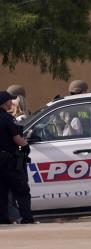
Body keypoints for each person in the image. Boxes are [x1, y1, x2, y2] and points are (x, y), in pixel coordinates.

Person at [0, 91, 35, 224]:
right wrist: (25, 146)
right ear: (4, 103)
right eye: (10, 100)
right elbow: (17, 138)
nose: (12, 103)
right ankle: (27, 218)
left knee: (2, 192)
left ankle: (3, 219)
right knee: (21, 190)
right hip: (9, 161)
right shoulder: (7, 118)